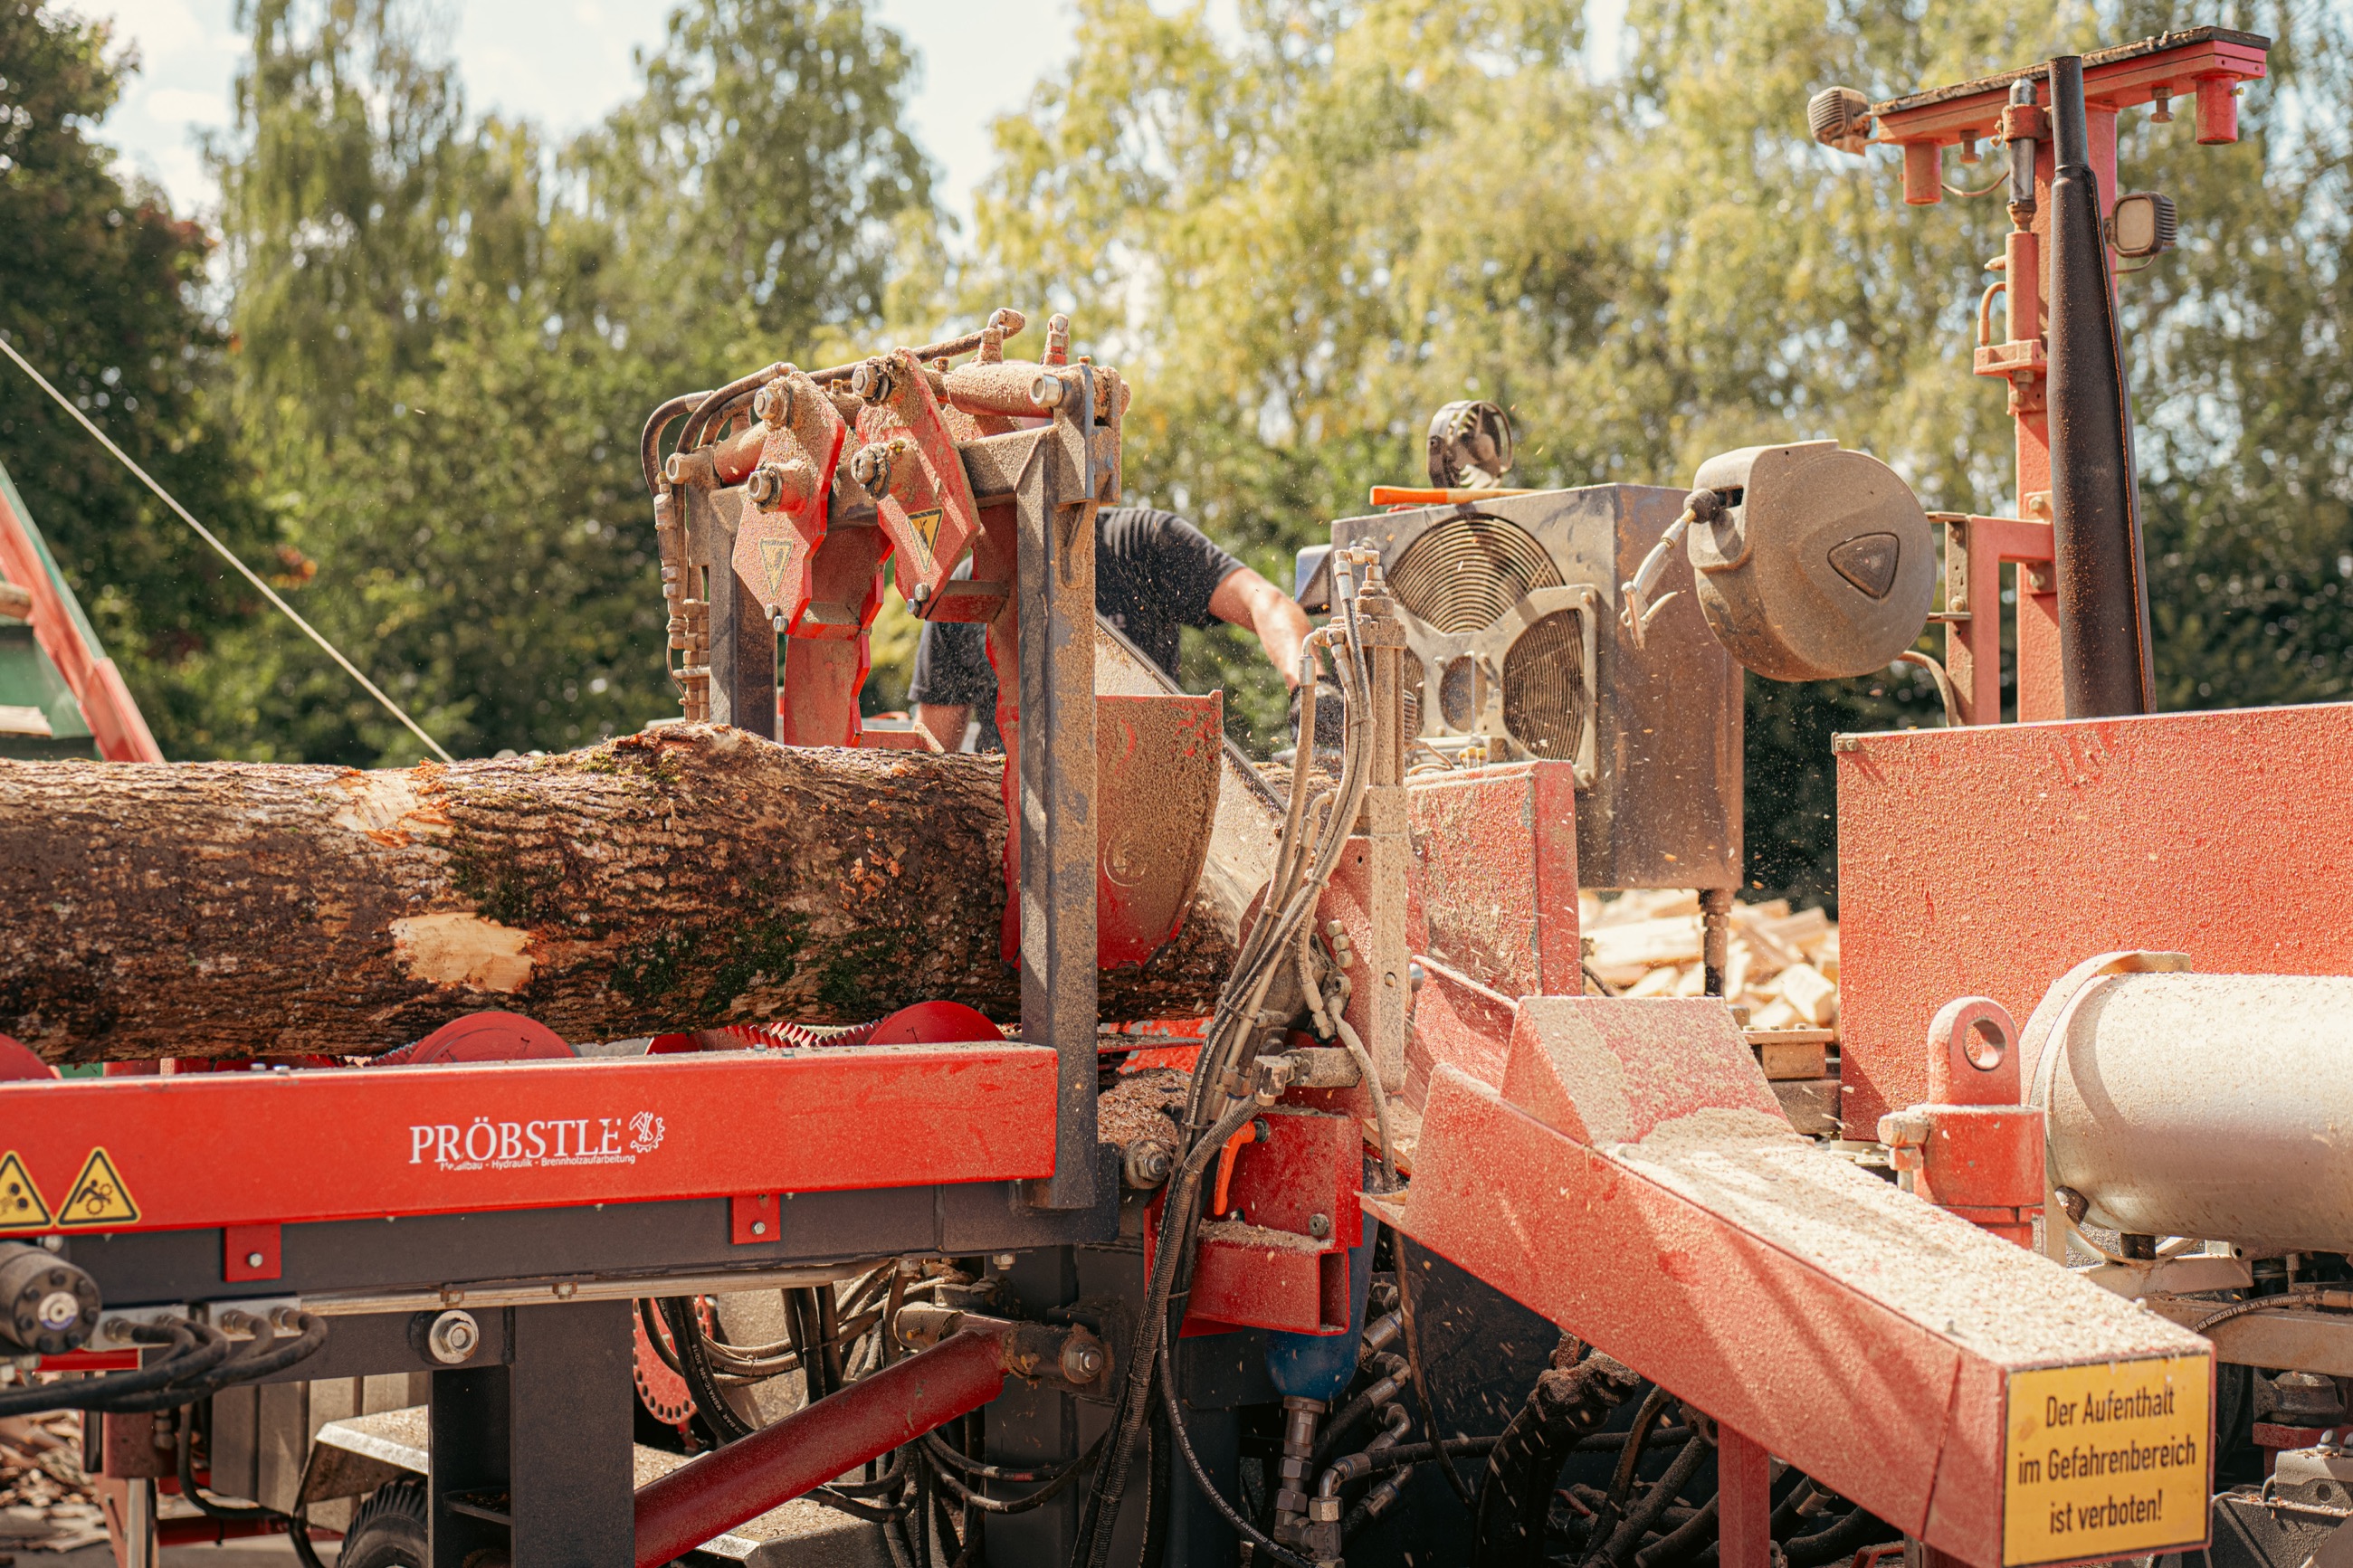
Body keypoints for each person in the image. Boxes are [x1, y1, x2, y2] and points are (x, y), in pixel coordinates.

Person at [910, 505, 1318, 753]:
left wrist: (1312, 689)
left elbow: (1263, 601)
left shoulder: (1141, 543)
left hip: (1149, 796)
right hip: (1009, 814)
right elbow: (935, 753)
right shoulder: (964, 594)